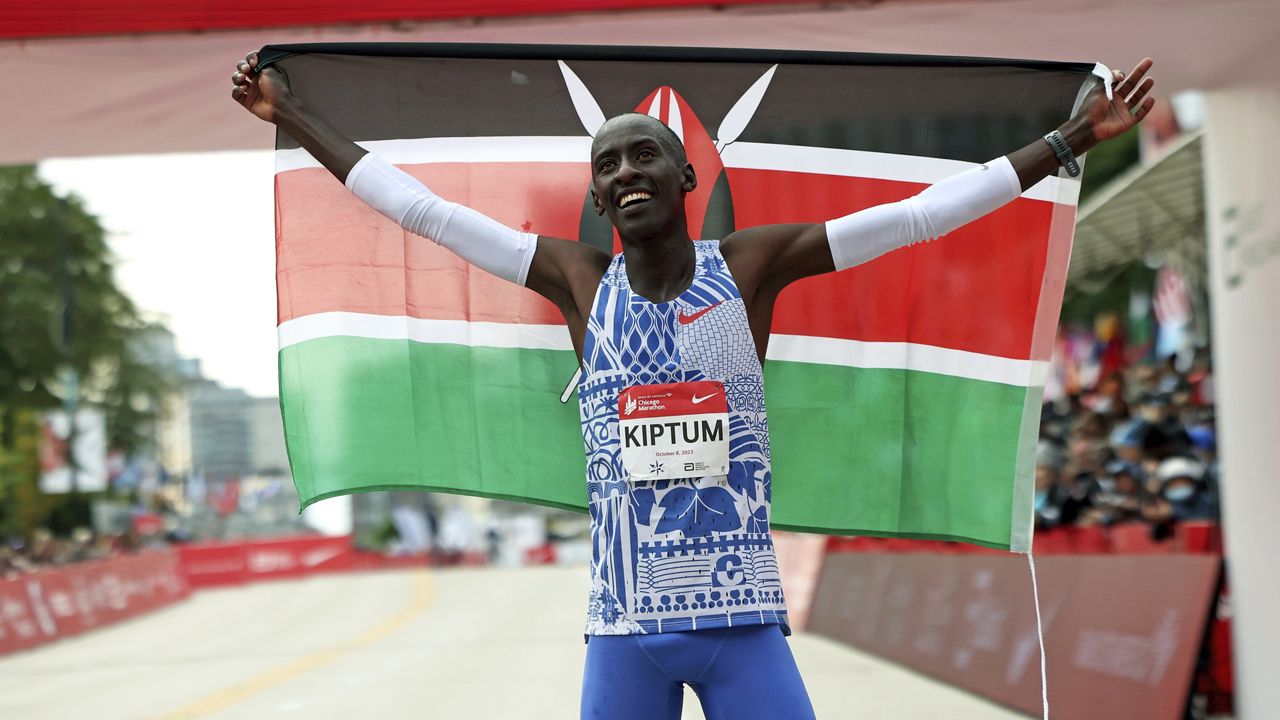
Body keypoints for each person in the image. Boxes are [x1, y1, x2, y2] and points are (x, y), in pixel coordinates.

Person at [232, 51, 1155, 720]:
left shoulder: (750, 266)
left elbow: (915, 219)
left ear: (685, 176)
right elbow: (420, 210)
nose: (625, 172)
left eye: (643, 156)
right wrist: (293, 120)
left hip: (741, 624)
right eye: (607, 166)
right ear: (597, 200)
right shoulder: (576, 281)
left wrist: (1069, 139)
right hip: (622, 628)